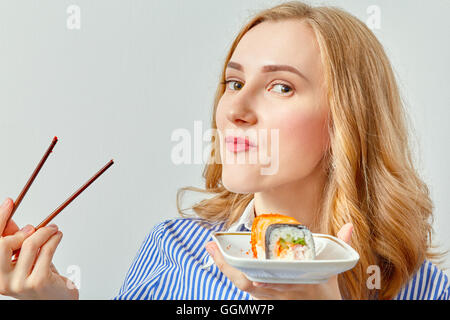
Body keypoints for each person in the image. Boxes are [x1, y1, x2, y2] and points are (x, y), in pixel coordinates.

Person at [0, 1, 448, 300]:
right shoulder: (172, 248)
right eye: (234, 83)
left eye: (280, 86)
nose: (235, 107)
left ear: (346, 122)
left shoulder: (422, 288)